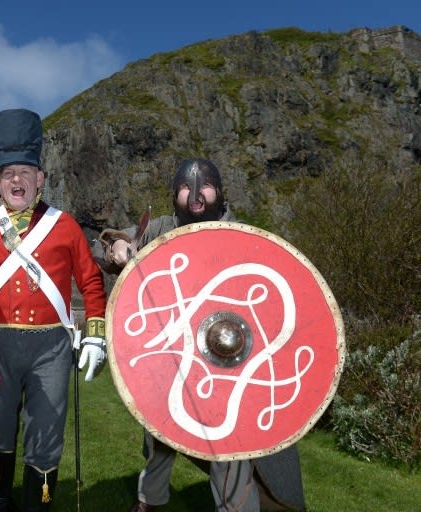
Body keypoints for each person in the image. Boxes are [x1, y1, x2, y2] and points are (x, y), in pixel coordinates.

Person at [97, 158, 306, 512]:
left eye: (205, 184)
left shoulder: (241, 235)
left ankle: (236, 507)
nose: (195, 194)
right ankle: (151, 501)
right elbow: (114, 242)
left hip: (229, 360)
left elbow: (268, 297)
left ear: (220, 191)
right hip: (173, 353)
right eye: (185, 186)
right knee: (160, 432)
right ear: (173, 192)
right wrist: (119, 247)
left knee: (229, 444)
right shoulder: (161, 228)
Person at [0, 108, 108, 512]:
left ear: (41, 179)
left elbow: (91, 282)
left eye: (26, 173)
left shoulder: (65, 225)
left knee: (47, 433)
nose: (18, 181)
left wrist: (96, 335)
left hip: (52, 348)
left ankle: (40, 505)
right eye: (9, 174)